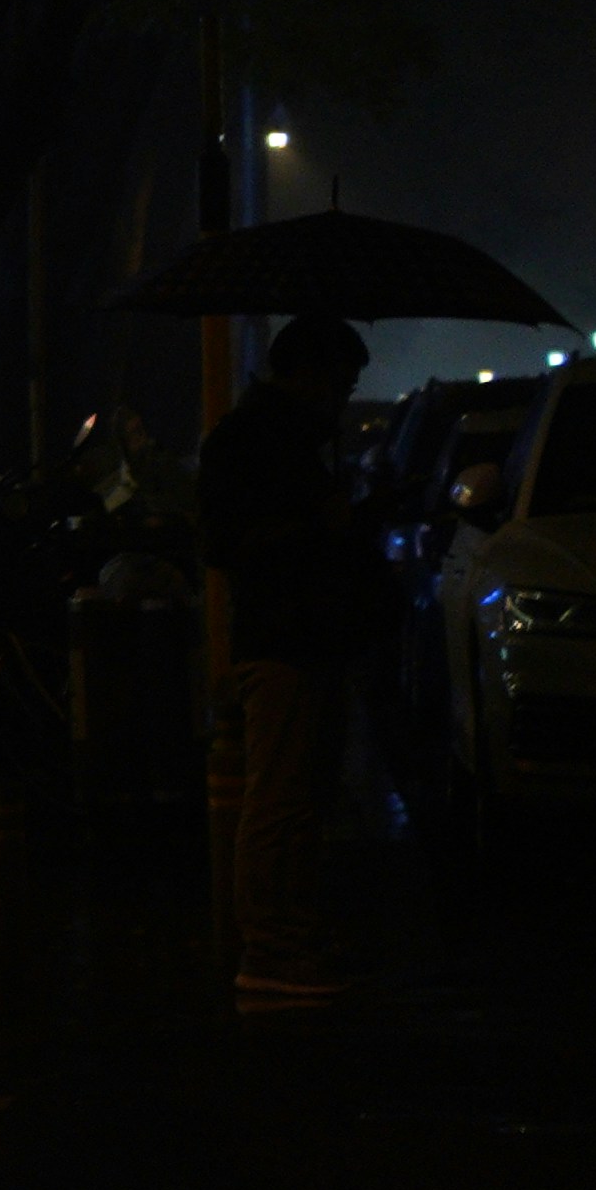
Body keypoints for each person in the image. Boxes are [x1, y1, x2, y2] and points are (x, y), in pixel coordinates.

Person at [198, 312, 380, 1002]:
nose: (342, 396)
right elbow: (225, 543)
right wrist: (318, 525)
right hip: (283, 639)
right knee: (278, 801)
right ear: (307, 375)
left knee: (301, 800)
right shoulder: (250, 443)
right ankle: (272, 948)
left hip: (308, 636)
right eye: (339, 383)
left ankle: (291, 936)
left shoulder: (294, 442)